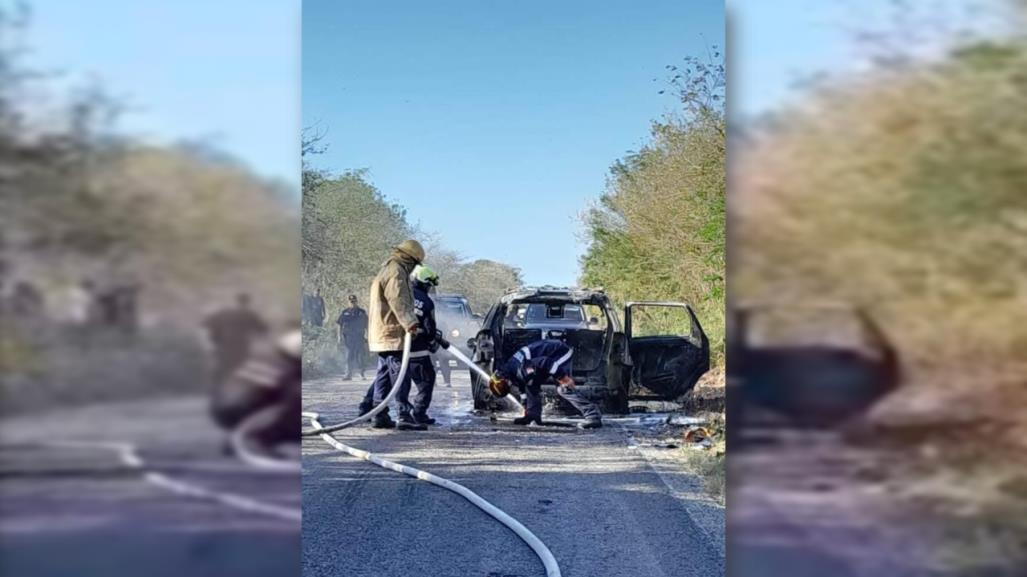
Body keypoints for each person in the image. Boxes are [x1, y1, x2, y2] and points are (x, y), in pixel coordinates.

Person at [211, 329, 301, 457]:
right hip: (241, 410)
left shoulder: (264, 358)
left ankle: (240, 437)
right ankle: (261, 439)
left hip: (223, 410)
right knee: (293, 399)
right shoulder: (286, 370)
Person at [365, 239, 426, 429]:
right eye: (415, 264)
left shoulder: (388, 269)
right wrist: (410, 323)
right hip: (391, 333)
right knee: (400, 375)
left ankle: (379, 414)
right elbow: (398, 300)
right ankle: (403, 415)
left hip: (382, 333)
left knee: (383, 374)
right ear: (409, 259)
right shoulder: (396, 272)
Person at [489, 339, 603, 430]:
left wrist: (563, 378)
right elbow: (523, 389)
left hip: (560, 353)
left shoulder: (521, 368)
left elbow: (546, 362)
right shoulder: (510, 370)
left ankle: (593, 416)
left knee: (563, 389)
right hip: (544, 359)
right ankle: (533, 416)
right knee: (531, 384)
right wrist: (526, 410)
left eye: (505, 387)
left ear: (506, 380)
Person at [203, 293, 269, 384]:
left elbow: (207, 325)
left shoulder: (224, 312)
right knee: (242, 368)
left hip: (223, 345)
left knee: (221, 368)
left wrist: (213, 341)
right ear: (248, 303)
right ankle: (240, 389)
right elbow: (263, 329)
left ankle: (215, 390)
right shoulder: (250, 314)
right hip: (240, 346)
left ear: (235, 301)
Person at [336, 294, 369, 380]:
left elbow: (367, 325)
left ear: (356, 301)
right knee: (348, 356)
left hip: (359, 337)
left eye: (354, 301)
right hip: (348, 338)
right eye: (351, 301)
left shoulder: (362, 312)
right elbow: (339, 324)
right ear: (348, 302)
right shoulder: (345, 312)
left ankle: (361, 373)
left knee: (360, 356)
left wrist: (368, 335)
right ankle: (348, 374)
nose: (353, 303)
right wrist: (339, 337)